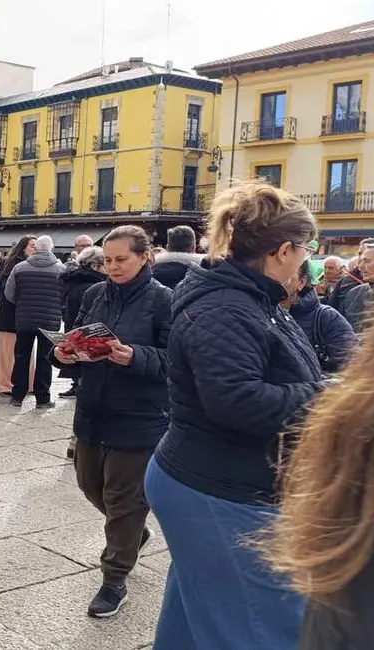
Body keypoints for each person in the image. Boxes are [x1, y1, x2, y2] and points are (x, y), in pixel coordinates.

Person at [145, 181, 323, 650]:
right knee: (266, 628)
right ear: (285, 250)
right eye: (306, 249)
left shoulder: (252, 298)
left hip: (210, 479)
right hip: (220, 488)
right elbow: (237, 399)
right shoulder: (228, 306)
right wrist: (330, 396)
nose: (307, 258)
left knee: (192, 616)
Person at [268, 223, 374, 650]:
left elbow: (350, 361)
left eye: (371, 265)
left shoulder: (326, 314)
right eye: (366, 264)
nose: (365, 270)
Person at [54, 226, 172, 618]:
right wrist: (66, 354)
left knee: (123, 500)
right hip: (92, 410)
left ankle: (114, 578)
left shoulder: (164, 301)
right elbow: (78, 337)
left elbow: (176, 362)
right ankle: (134, 533)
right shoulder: (93, 294)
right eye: (108, 260)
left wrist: (135, 356)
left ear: (145, 258)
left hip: (139, 417)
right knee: (91, 487)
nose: (113, 267)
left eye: (121, 259)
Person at [5, 234, 66, 408]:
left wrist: (23, 304)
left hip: (24, 319)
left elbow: (9, 294)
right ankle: (42, 398)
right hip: (50, 321)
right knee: (46, 358)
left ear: (36, 248)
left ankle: (17, 396)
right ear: (51, 248)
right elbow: (65, 295)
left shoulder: (20, 268)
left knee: (21, 356)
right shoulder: (61, 269)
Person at [282, 261, 357, 374]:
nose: (274, 280)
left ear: (301, 282)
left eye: (284, 275)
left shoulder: (327, 317)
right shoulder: (256, 312)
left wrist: (314, 385)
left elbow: (351, 367)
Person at [58, 246, 107, 402]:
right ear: (95, 266)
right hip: (86, 334)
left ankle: (76, 384)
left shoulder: (75, 281)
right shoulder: (93, 286)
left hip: (72, 325)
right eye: (106, 263)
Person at [0, 236, 37, 395]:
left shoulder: (32, 264)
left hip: (26, 314)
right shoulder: (12, 264)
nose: (35, 249)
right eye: (32, 246)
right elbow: (7, 289)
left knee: (27, 350)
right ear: (23, 247)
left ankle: (28, 383)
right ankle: (5, 384)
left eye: (36, 246)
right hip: (10, 315)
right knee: (7, 352)